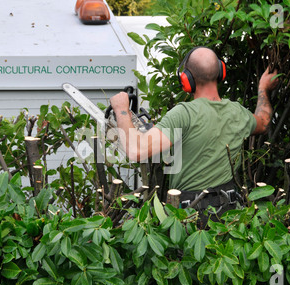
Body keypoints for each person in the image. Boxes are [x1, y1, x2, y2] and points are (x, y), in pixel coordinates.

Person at [109, 47, 279, 228]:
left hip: (190, 219)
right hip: (229, 218)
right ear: (221, 71)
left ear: (186, 80)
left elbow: (136, 150)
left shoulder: (184, 114)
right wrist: (263, 88)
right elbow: (264, 121)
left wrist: (121, 109)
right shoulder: (238, 113)